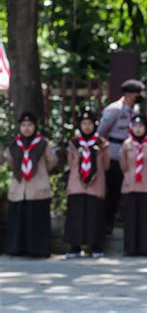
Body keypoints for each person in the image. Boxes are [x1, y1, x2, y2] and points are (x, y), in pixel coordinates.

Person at [5, 112, 58, 257]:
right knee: (19, 221)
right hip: (19, 188)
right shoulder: (14, 144)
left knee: (36, 221)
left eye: (30, 125)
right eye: (23, 125)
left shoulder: (43, 143)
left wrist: (41, 173)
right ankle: (17, 249)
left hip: (38, 188)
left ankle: (38, 249)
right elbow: (10, 161)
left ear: (35, 126)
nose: (27, 128)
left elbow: (52, 161)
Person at [97, 79, 145, 234]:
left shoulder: (135, 109)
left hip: (131, 155)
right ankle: (107, 224)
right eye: (137, 93)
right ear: (129, 94)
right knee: (112, 190)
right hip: (114, 154)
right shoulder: (114, 109)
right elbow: (101, 132)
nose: (139, 96)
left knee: (125, 190)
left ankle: (120, 220)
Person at [64, 109, 110, 259]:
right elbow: (71, 163)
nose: (87, 126)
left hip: (95, 185)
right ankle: (74, 246)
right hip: (77, 184)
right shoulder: (74, 143)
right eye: (84, 123)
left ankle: (95, 246)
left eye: (90, 123)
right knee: (76, 215)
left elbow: (106, 164)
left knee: (94, 215)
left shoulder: (101, 143)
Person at [119, 114, 147, 256]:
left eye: (141, 126)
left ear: (146, 128)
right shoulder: (127, 144)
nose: (138, 129)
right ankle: (131, 249)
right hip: (130, 185)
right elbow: (123, 165)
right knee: (131, 219)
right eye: (135, 126)